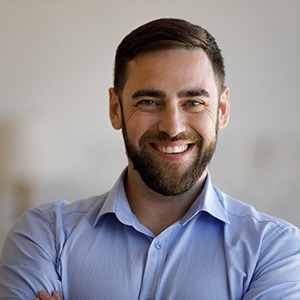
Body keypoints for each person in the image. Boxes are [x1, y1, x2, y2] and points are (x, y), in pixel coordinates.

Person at [1, 18, 300, 300]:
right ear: (115, 109)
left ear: (222, 110)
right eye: (148, 102)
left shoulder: (273, 250)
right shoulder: (44, 236)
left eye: (193, 102)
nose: (172, 127)